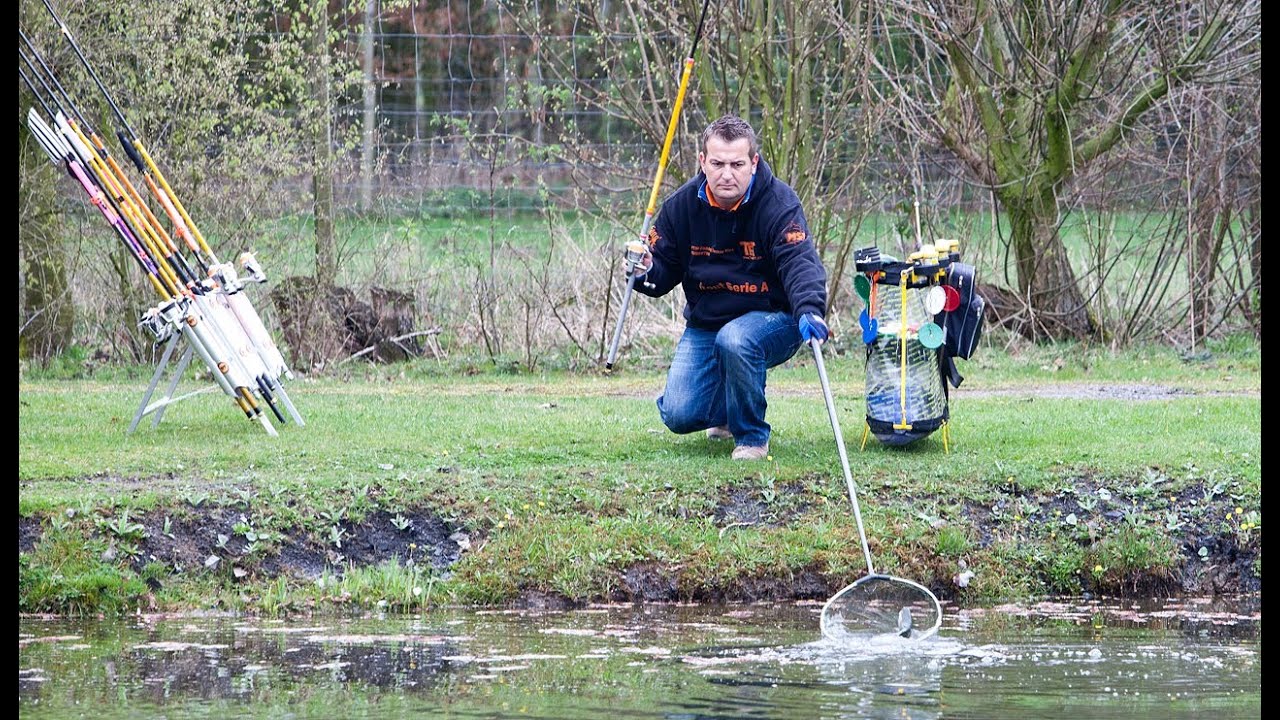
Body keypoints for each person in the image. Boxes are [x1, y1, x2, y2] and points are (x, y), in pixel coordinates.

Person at [627, 115, 828, 460]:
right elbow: (661, 273)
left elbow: (800, 262)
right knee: (677, 414)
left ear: (753, 163)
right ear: (703, 162)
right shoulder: (681, 206)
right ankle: (723, 413)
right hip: (708, 323)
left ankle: (751, 437)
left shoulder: (779, 204)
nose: (727, 173)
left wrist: (809, 308)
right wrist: (645, 269)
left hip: (773, 318)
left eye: (737, 164)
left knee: (737, 339)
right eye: (717, 163)